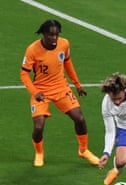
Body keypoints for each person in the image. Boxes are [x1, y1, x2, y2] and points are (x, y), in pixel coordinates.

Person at [20, 19, 99, 167]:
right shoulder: (32, 50)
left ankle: (83, 150)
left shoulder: (64, 44)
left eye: (56, 34)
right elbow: (24, 74)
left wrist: (77, 84)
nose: (54, 38)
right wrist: (35, 92)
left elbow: (67, 63)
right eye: (51, 35)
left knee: (80, 118)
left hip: (61, 88)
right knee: (38, 127)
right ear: (43, 34)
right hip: (41, 91)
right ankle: (39, 153)